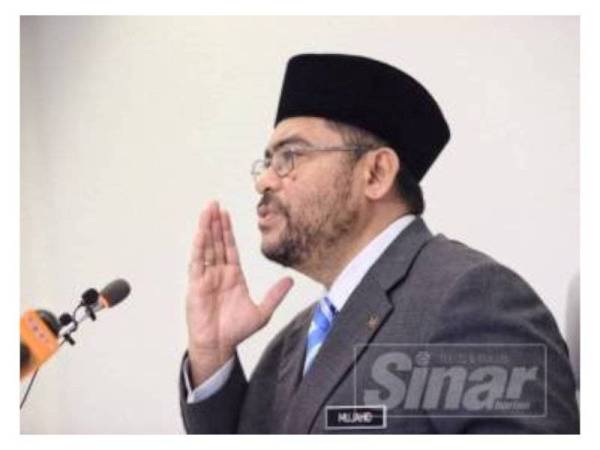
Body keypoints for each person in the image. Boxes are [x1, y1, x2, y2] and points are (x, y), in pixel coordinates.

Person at [178, 54, 579, 433]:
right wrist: (211, 354)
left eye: (290, 156)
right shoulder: (291, 343)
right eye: (267, 162)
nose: (264, 180)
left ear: (375, 173)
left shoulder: (472, 298)